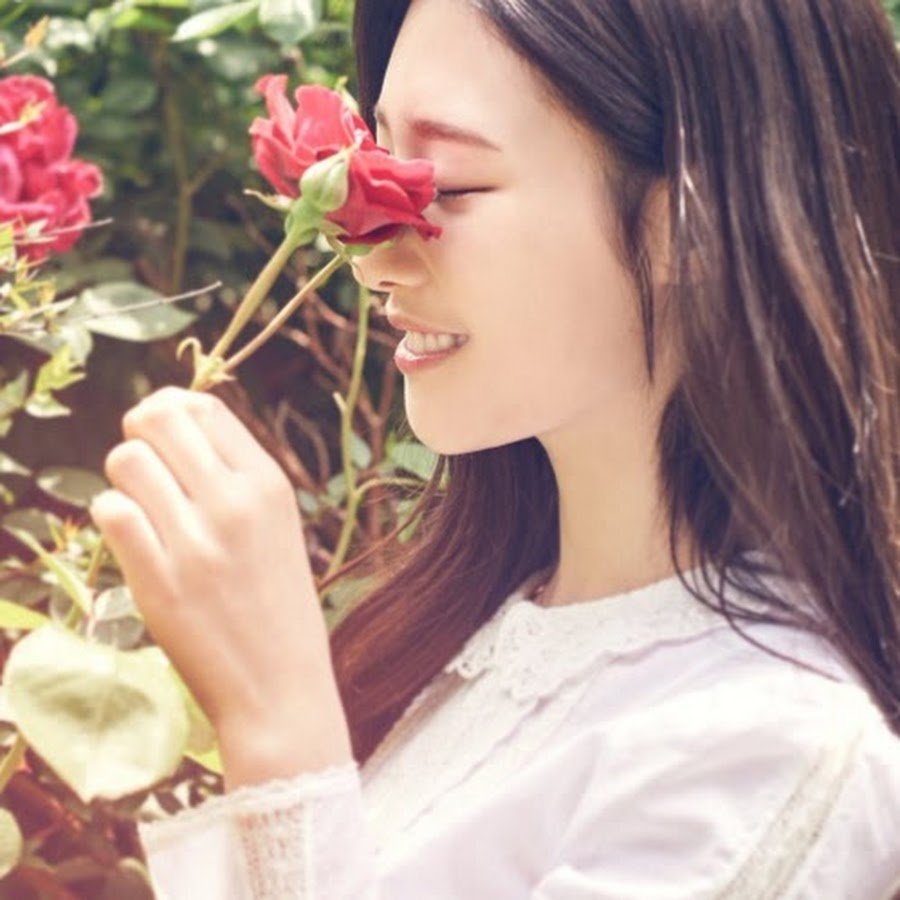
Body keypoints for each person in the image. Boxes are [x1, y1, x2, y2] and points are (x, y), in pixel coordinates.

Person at [89, 0, 900, 896]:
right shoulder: (479, 634)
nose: (373, 260)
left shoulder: (772, 753)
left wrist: (277, 726)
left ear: (693, 221)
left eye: (450, 187)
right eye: (378, 164)